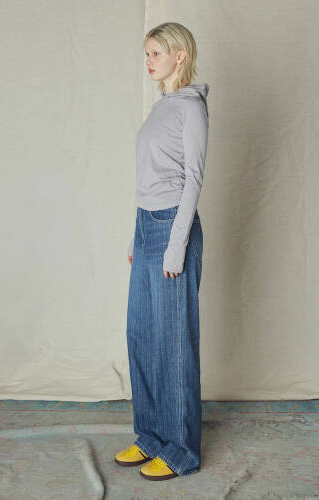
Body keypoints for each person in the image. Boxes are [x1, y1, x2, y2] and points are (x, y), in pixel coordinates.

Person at [115, 22, 209, 481]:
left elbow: (193, 179)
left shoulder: (191, 107)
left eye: (155, 52)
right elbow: (150, 177)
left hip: (174, 227)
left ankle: (181, 450)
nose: (148, 61)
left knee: (174, 344)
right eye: (146, 54)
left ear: (179, 56)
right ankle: (151, 436)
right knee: (142, 335)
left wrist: (176, 246)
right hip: (145, 226)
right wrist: (136, 237)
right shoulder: (161, 107)